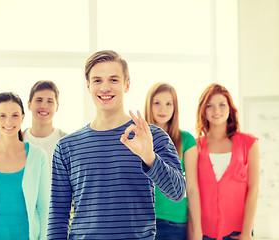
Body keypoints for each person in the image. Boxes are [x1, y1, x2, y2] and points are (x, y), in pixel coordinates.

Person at [47, 50, 186, 240]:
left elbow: (178, 193)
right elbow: (57, 214)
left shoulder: (152, 136)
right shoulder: (67, 146)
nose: (105, 87)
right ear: (88, 86)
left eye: (113, 80)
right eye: (97, 80)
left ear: (126, 84)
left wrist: (149, 157)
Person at [0, 92, 50, 240]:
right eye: (2, 116)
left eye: (15, 115)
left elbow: (44, 207)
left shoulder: (38, 156)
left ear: (23, 118)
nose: (9, 122)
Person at [195, 83, 259, 240]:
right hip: (204, 233)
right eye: (210, 105)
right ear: (203, 110)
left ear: (230, 108)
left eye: (222, 105)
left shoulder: (249, 143)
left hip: (239, 232)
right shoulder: (194, 146)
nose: (216, 110)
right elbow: (191, 192)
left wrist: (246, 233)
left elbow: (254, 189)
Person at [144, 82, 202, 240]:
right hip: (142, 221)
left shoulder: (187, 140)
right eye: (157, 103)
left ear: (175, 107)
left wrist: (197, 231)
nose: (163, 109)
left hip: (175, 223)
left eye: (169, 103)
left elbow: (192, 189)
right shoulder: (137, 137)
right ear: (149, 105)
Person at [23, 80, 67, 174]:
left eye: (50, 101)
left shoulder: (67, 142)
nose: (44, 105)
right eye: (39, 100)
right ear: (29, 105)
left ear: (57, 107)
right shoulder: (17, 140)